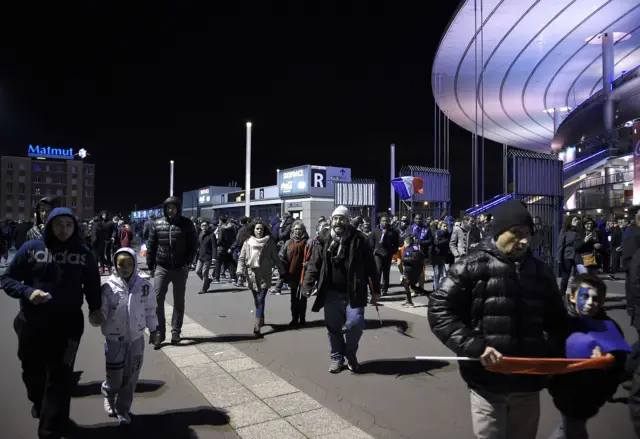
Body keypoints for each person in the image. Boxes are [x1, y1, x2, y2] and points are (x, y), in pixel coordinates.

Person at [428, 200, 567, 439]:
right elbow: (439, 310)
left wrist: (547, 349)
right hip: (487, 383)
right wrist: (475, 346)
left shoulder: (541, 272)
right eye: (516, 233)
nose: (524, 240)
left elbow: (558, 321)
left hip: (527, 382)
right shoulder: (471, 265)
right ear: (499, 231)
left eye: (528, 234)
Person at [0, 207, 104, 439]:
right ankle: (38, 402)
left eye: (69, 225)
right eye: (59, 224)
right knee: (32, 374)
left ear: (75, 227)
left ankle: (50, 430)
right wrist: (27, 292)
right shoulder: (31, 248)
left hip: (68, 327)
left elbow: (92, 285)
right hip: (31, 324)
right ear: (48, 225)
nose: (64, 229)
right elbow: (7, 279)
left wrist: (96, 308)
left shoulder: (83, 253)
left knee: (60, 378)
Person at [547, 274, 630, 439]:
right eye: (585, 296)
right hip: (565, 393)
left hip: (589, 396)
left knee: (570, 430)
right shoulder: (562, 323)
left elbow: (621, 361)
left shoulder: (608, 327)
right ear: (572, 296)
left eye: (596, 298)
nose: (591, 302)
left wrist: (607, 360)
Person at [301, 206, 379, 374]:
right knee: (333, 329)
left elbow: (371, 266)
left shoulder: (359, 239)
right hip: (331, 293)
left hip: (355, 293)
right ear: (331, 220)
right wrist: (307, 285)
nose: (338, 222)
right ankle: (337, 358)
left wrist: (376, 291)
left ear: (348, 220)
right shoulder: (323, 240)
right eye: (336, 218)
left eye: (342, 218)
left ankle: (350, 355)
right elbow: (314, 265)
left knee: (355, 325)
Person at [100, 247, 159, 425]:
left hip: (136, 338)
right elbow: (101, 311)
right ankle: (109, 395)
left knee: (131, 376)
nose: (125, 268)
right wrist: (97, 317)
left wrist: (154, 329)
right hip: (114, 339)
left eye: (129, 264)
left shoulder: (144, 286)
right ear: (115, 265)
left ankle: (123, 409)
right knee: (115, 376)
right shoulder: (108, 287)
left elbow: (150, 309)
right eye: (121, 264)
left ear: (134, 264)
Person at [146, 196, 198, 347]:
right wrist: (151, 265)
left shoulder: (186, 224)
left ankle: (175, 331)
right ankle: (159, 333)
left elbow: (193, 245)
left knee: (178, 300)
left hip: (180, 268)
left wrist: (187, 262)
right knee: (157, 299)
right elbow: (151, 246)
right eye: (168, 207)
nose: (170, 210)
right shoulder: (157, 224)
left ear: (178, 208)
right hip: (162, 267)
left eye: (173, 207)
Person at [237, 220, 285, 336]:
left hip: (265, 275)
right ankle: (261, 317)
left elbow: (275, 257)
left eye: (261, 229)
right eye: (257, 228)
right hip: (251, 275)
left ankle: (257, 326)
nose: (259, 231)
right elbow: (242, 258)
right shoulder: (247, 242)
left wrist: (281, 270)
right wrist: (240, 271)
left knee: (260, 299)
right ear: (253, 230)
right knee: (256, 300)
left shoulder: (269, 242)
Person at [280, 220, 310, 327]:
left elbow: (314, 258)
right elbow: (282, 258)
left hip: (303, 274)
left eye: (300, 229)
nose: (297, 231)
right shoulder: (288, 243)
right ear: (292, 230)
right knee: (294, 299)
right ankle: (294, 318)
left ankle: (302, 318)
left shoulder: (308, 243)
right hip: (292, 274)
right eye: (296, 229)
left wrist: (308, 263)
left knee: (302, 298)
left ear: (303, 230)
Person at [369, 214, 399, 297]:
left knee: (386, 272)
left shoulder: (393, 232)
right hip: (377, 254)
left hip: (387, 254)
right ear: (380, 222)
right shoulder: (375, 231)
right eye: (383, 221)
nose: (385, 222)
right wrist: (373, 251)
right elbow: (371, 243)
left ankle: (385, 289)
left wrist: (393, 251)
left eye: (387, 221)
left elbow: (396, 244)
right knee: (378, 271)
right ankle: (377, 289)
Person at [400, 235, 425, 307]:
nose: (404, 243)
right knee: (410, 285)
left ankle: (409, 302)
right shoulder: (416, 247)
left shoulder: (410, 249)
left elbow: (413, 259)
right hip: (415, 270)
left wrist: (404, 260)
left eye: (404, 242)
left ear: (407, 242)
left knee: (406, 284)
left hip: (410, 270)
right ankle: (409, 301)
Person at [214, 214, 238, 284]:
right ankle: (233, 277)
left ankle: (217, 278)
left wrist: (217, 243)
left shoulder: (221, 228)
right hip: (229, 248)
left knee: (218, 262)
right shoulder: (231, 228)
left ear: (220, 220)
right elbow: (234, 237)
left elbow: (220, 239)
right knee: (229, 262)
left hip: (222, 248)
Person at [195, 221, 217, 294]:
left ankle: (204, 288)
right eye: (202, 225)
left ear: (208, 226)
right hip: (200, 256)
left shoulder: (211, 235)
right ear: (201, 227)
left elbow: (214, 247)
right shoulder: (200, 234)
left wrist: (214, 257)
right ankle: (207, 281)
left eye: (205, 225)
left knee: (205, 273)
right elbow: (198, 245)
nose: (204, 227)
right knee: (197, 271)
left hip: (208, 256)